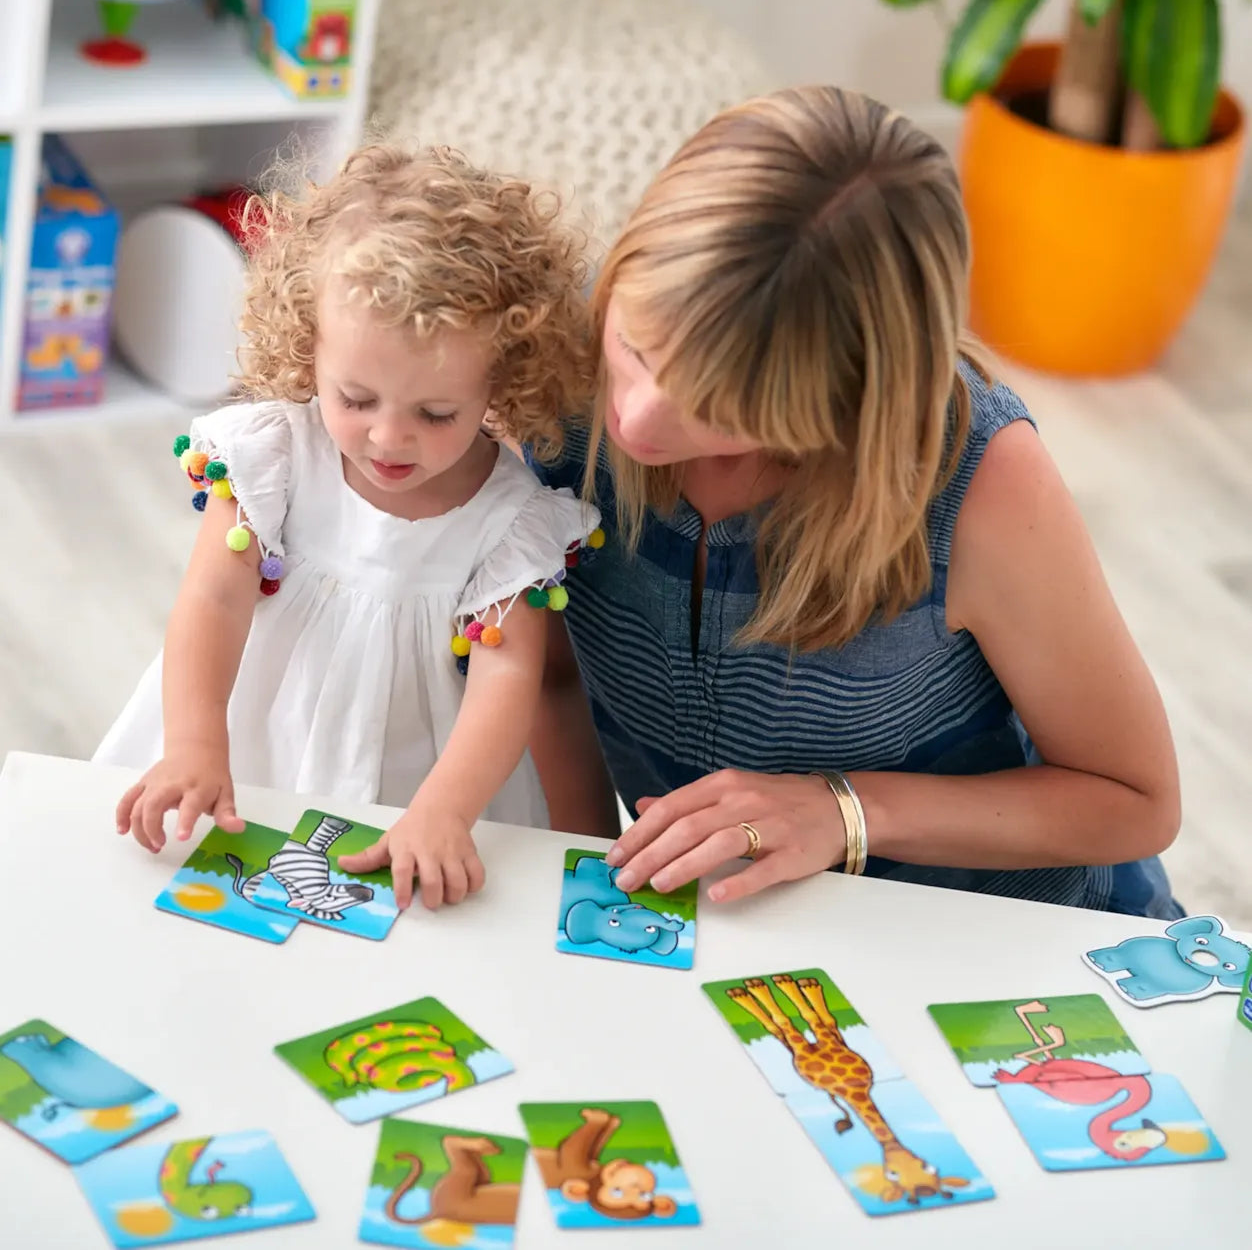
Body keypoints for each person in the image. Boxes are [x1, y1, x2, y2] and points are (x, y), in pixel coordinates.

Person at [524, 86, 1183, 919]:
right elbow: (547, 676)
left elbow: (1135, 798)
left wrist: (841, 812)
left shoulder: (981, 479)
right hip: (739, 932)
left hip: (997, 944)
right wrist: (587, 897)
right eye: (638, 346)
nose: (638, 415)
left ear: (853, 400)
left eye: (725, 403)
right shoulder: (549, 367)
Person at [96, 142, 602, 909]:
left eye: (436, 414)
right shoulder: (272, 457)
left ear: (503, 378)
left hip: (416, 785)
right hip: (243, 750)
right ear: (310, 343)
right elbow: (213, 602)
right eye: (356, 399)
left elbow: (508, 679)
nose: (389, 439)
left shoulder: (512, 522)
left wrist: (445, 810)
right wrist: (196, 742)